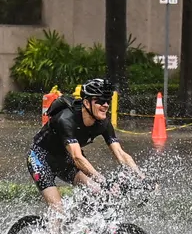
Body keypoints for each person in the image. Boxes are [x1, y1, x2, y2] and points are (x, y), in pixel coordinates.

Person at [26, 78, 143, 211]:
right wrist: (103, 180)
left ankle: (84, 227)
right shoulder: (66, 120)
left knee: (99, 192)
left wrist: (141, 177)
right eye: (100, 101)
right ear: (86, 103)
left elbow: (121, 154)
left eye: (107, 100)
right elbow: (77, 157)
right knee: (58, 210)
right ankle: (52, 231)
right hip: (42, 159)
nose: (105, 105)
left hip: (65, 160)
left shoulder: (103, 123)